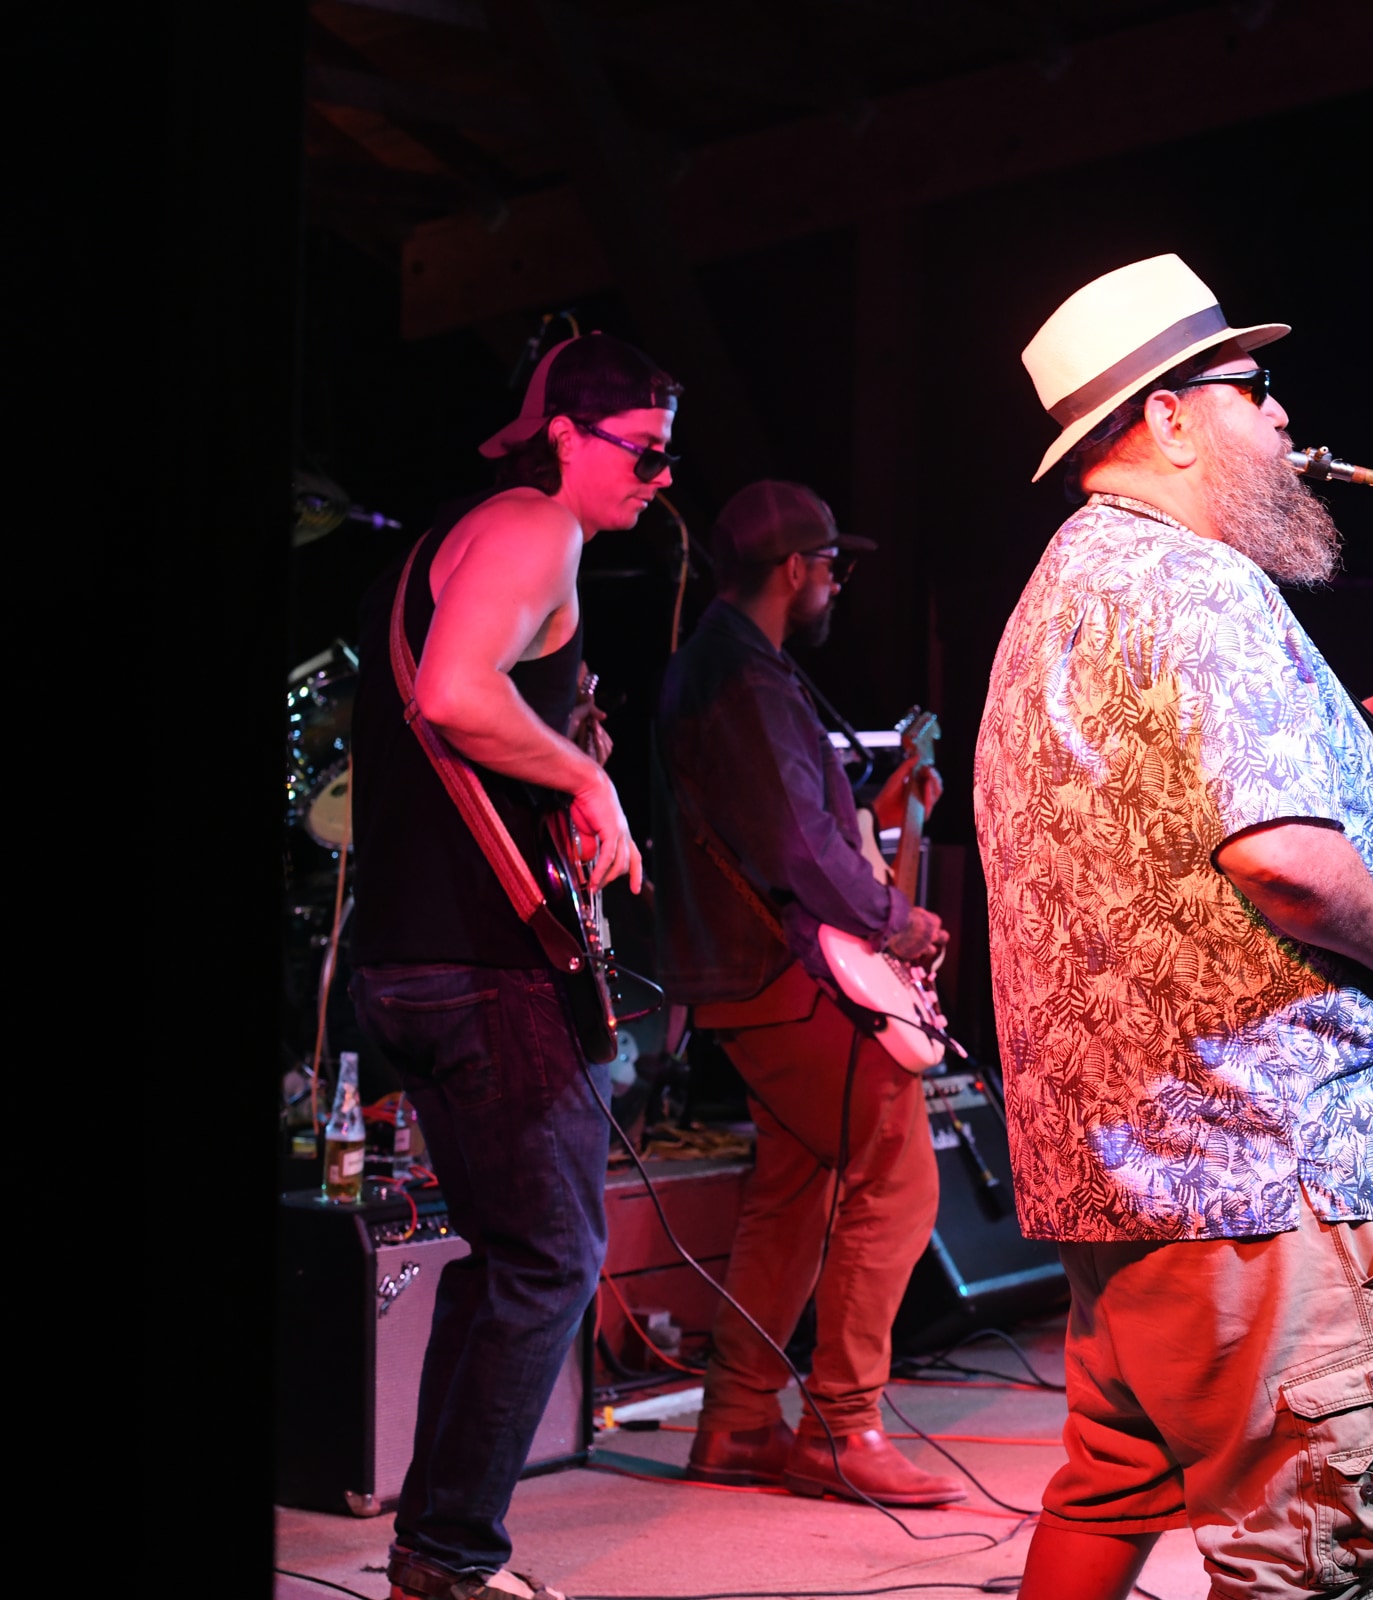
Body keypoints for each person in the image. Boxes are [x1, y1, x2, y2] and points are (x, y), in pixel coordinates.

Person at [976, 254, 1373, 1600]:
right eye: (1253, 387)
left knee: (1110, 1485)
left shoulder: (1064, 591)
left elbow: (1152, 822)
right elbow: (1277, 858)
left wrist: (1367, 731)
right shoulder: (1203, 586)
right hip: (1269, 1178)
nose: (1281, 417)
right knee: (1319, 1552)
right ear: (1165, 418)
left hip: (1130, 1182)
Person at [349, 333, 676, 1600]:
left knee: (505, 1260)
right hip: (483, 967)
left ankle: (437, 1552)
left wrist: (564, 759)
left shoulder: (458, 538)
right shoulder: (534, 524)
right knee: (549, 1261)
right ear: (566, 436)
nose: (661, 478)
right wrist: (589, 776)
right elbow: (449, 691)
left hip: (417, 960)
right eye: (642, 452)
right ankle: (448, 1558)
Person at [650, 480, 964, 1507]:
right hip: (780, 971)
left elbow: (785, 823)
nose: (835, 585)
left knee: (796, 1189)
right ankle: (842, 1425)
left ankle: (738, 1421)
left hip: (743, 972)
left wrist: (878, 807)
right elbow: (793, 847)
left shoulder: (724, 664)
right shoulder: (746, 676)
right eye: (832, 566)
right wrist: (893, 920)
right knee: (898, 1173)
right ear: (794, 569)